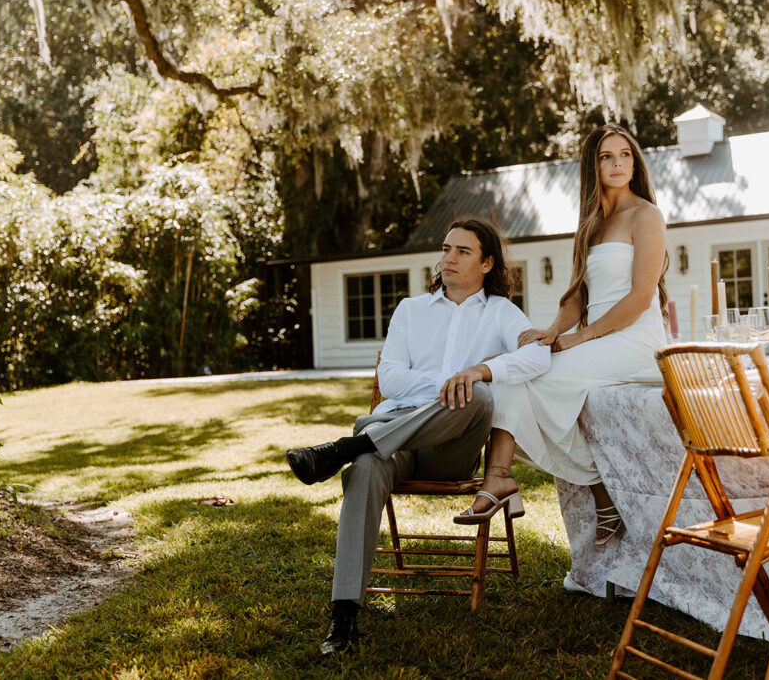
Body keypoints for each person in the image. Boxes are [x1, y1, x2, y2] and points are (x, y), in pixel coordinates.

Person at [285, 216, 550, 656]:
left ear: (487, 264)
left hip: (451, 448)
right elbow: (389, 380)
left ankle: (345, 449)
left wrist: (479, 371)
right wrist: (449, 383)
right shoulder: (411, 310)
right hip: (397, 437)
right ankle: (344, 617)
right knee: (368, 467)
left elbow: (537, 357)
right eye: (446, 249)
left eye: (462, 252)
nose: (449, 258)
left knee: (479, 397)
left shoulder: (502, 312)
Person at [454, 124, 668, 546]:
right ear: (593, 165)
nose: (618, 163)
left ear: (635, 161)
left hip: (635, 339)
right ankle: (500, 480)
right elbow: (578, 294)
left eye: (625, 154)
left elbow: (642, 298)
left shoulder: (647, 215)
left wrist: (580, 338)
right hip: (599, 337)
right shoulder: (591, 222)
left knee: (529, 380)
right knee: (517, 379)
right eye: (607, 156)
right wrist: (552, 332)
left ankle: (586, 490)